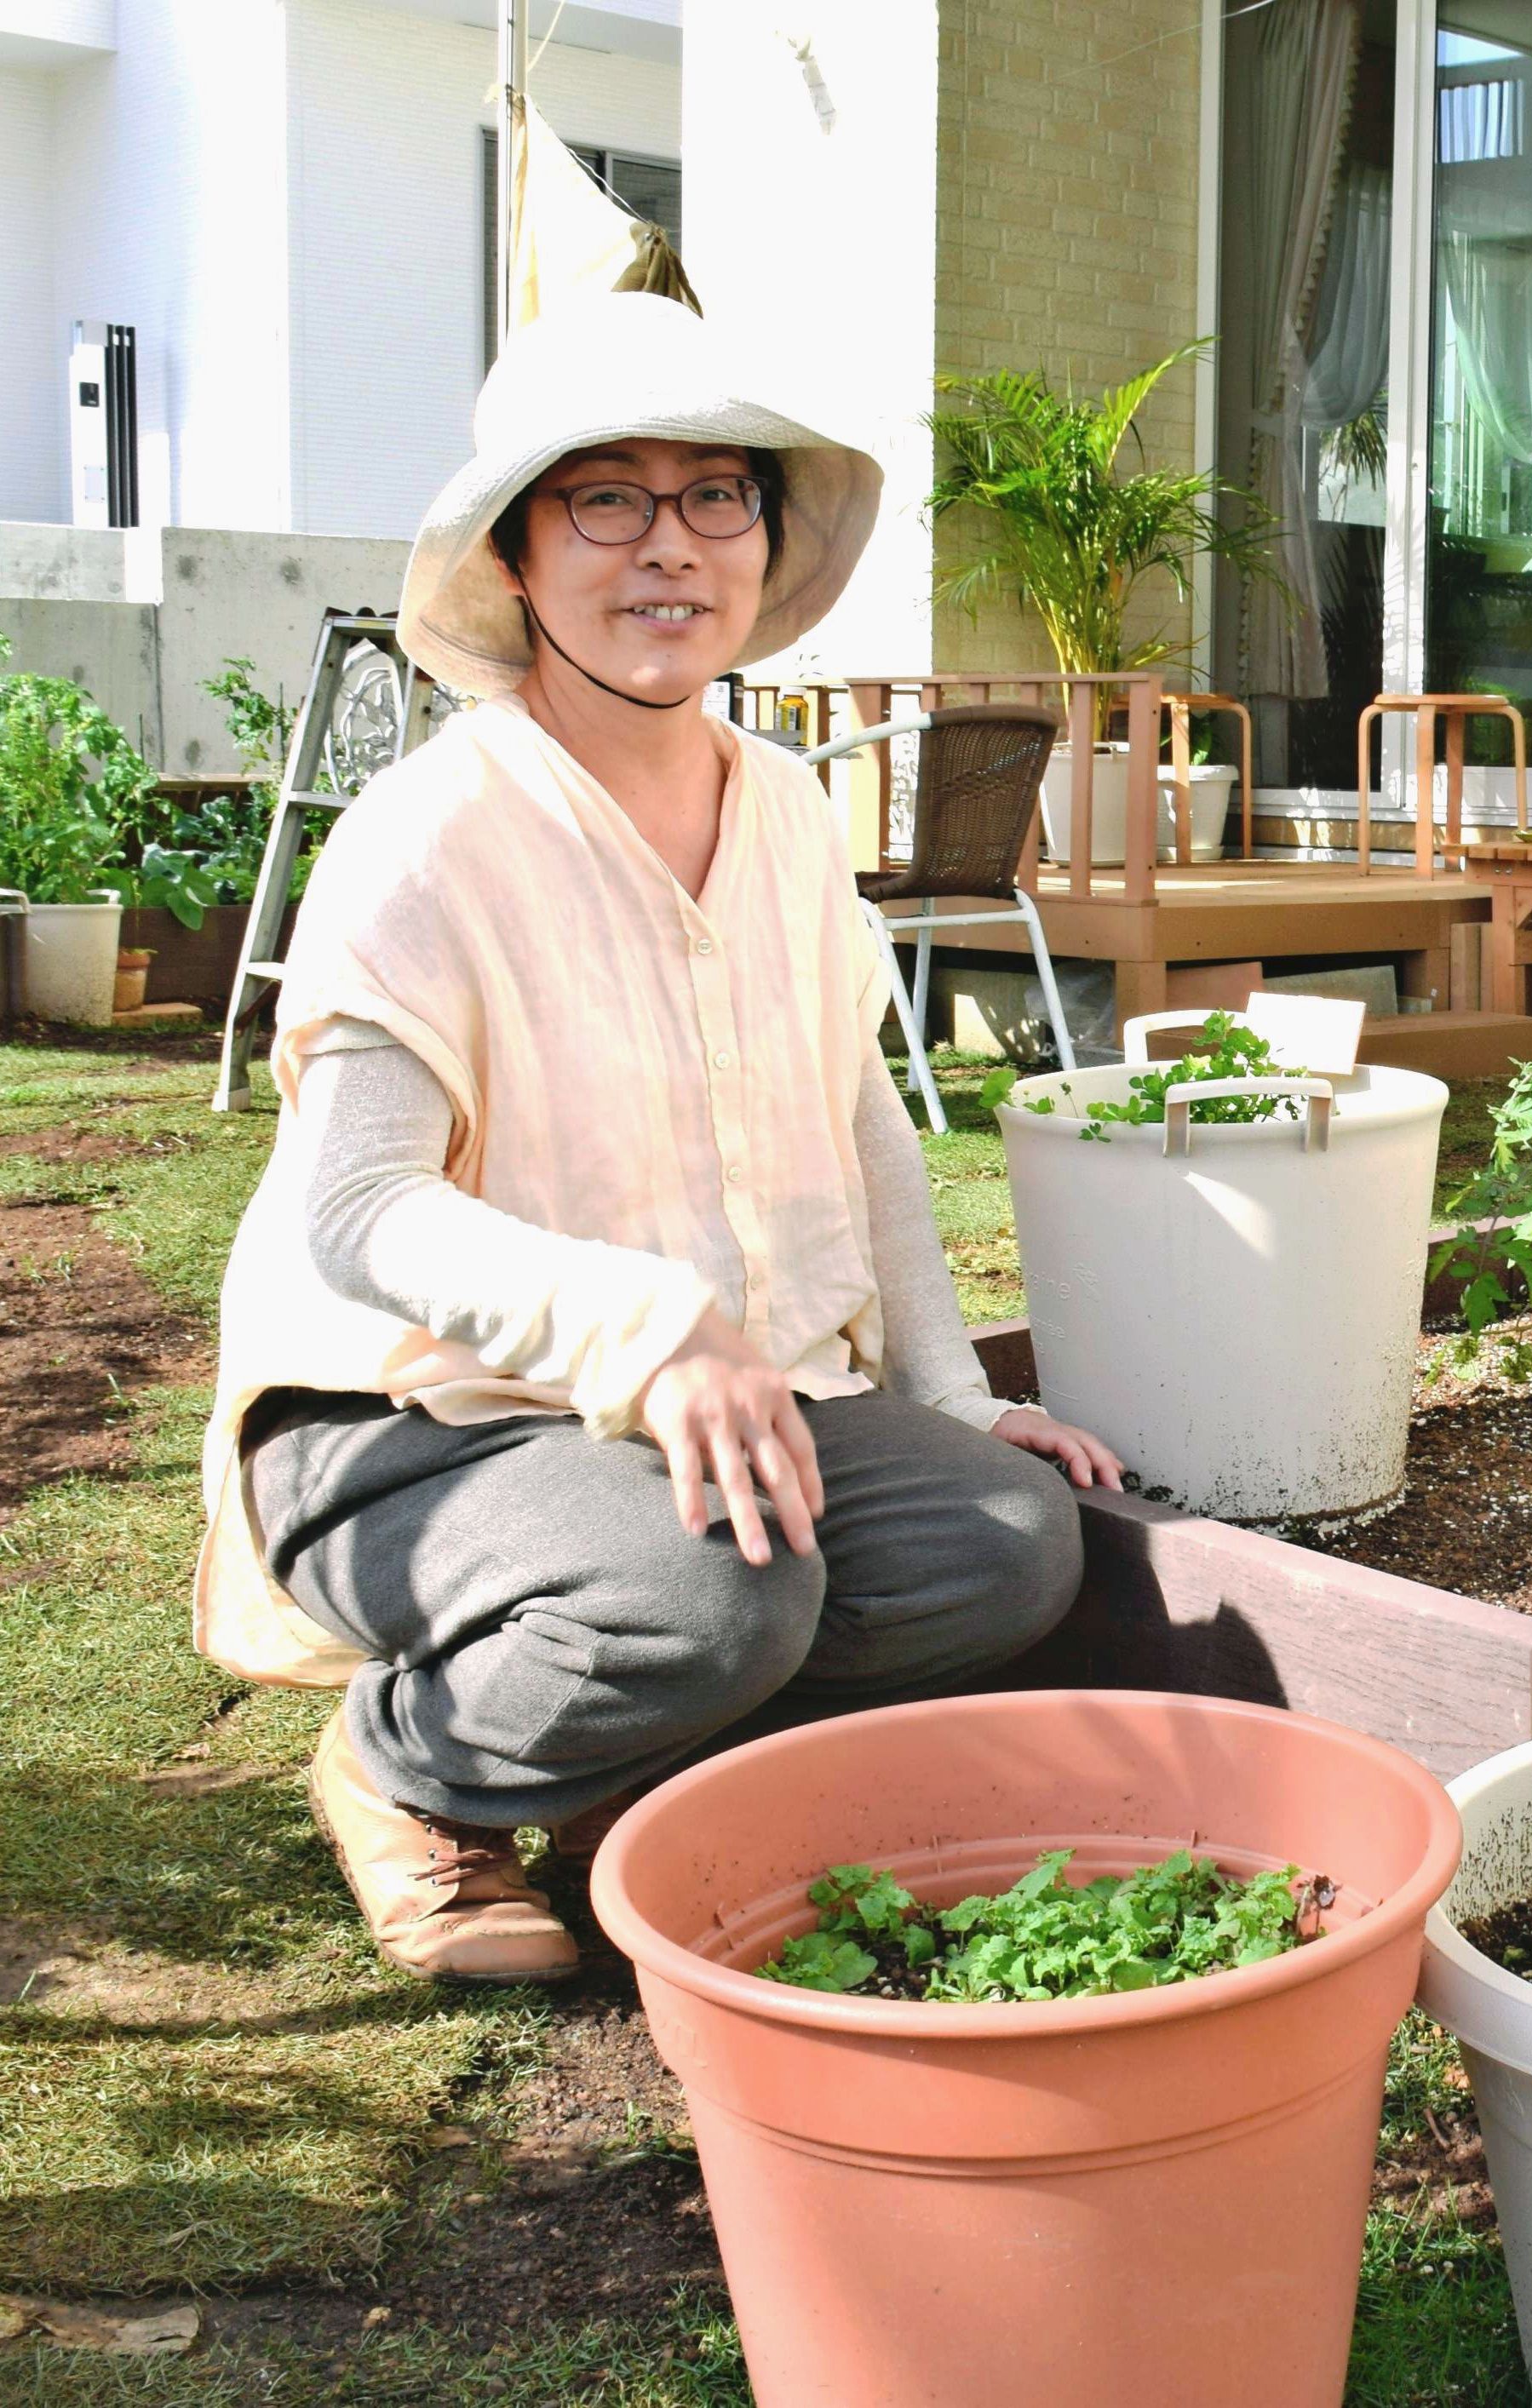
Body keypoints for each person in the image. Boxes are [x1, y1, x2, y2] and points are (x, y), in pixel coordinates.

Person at [197, 293, 1117, 1984]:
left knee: (1005, 1547)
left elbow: (863, 1128)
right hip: (418, 1421)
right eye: (606, 498)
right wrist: (643, 1325)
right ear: (520, 555)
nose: (670, 546)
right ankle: (409, 1769)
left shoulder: (778, 810)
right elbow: (355, 1206)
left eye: (716, 495)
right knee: (722, 1597)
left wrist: (959, 1399)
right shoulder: (429, 834)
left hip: (720, 1399)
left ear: (764, 539)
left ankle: (624, 1759)